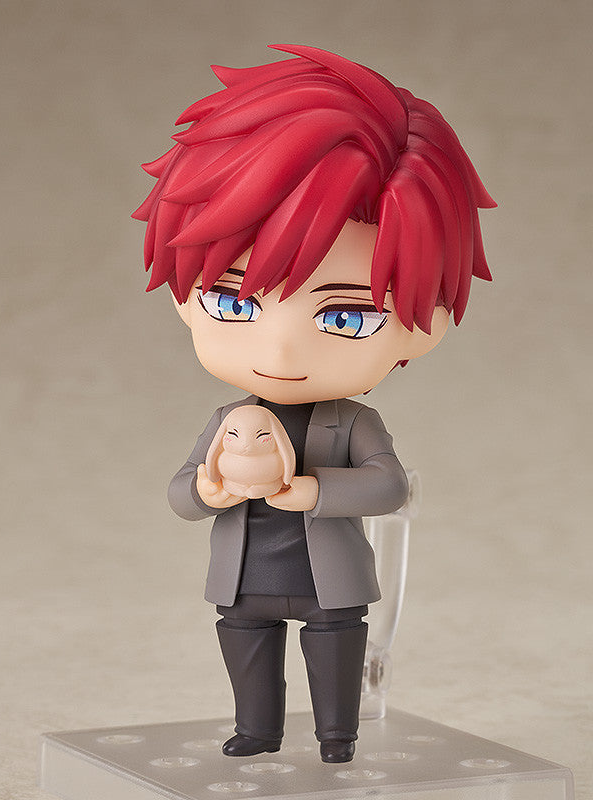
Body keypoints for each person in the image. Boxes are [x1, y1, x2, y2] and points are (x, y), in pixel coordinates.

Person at [133, 44, 495, 763]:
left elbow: (388, 485)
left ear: (426, 326)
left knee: (333, 654)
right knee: (247, 649)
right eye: (234, 302)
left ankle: (337, 736)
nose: (281, 351)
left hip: (331, 583)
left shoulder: (352, 422)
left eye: (346, 316)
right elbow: (180, 492)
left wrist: (311, 490)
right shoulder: (226, 422)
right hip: (245, 579)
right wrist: (208, 487)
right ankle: (257, 730)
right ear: (183, 299)